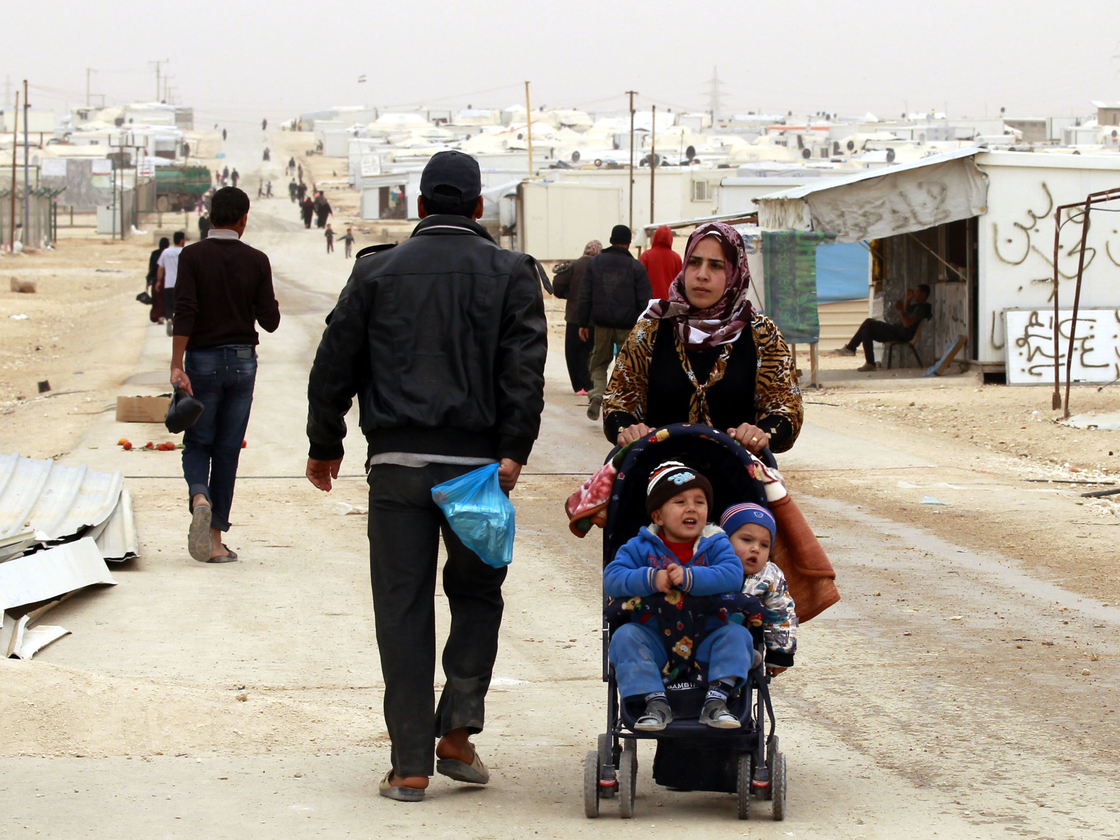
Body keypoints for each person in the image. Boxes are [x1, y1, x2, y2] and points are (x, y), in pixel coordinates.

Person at [304, 149, 547, 802]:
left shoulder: (377, 271)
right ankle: (459, 733)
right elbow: (523, 368)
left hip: (397, 471)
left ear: (418, 205)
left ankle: (410, 765)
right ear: (477, 209)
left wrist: (324, 441)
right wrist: (514, 449)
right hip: (477, 472)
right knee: (476, 595)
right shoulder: (512, 273)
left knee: (403, 611)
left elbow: (335, 359)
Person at [604, 221, 803, 457]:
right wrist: (628, 429)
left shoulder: (762, 334)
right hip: (659, 480)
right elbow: (618, 402)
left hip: (738, 479)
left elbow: (785, 409)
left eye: (716, 266)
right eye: (694, 262)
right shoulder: (650, 330)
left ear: (734, 272)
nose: (701, 275)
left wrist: (762, 434)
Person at [171, 187, 280, 563]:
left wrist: (176, 363)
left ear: (210, 216)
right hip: (242, 361)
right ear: (243, 219)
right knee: (228, 449)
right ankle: (215, 540)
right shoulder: (257, 260)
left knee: (199, 442)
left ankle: (199, 495)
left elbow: (184, 309)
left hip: (201, 361)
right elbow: (271, 321)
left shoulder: (192, 256)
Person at [604, 461, 751, 731]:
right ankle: (654, 701)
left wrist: (690, 578)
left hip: (707, 638)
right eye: (680, 501)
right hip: (655, 641)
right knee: (624, 637)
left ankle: (717, 700)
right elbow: (612, 579)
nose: (692, 508)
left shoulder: (715, 543)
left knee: (738, 636)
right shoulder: (639, 547)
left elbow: (733, 574)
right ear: (658, 516)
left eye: (699, 501)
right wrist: (650, 578)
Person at [576, 224, 652, 421]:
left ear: (610, 240)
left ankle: (598, 394)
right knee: (626, 366)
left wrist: (583, 323)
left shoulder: (595, 263)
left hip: (601, 324)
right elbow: (645, 301)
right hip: (628, 326)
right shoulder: (637, 267)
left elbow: (584, 295)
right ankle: (622, 406)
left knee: (599, 363)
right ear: (628, 242)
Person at [719, 503, 796, 677]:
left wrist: (780, 654)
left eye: (764, 545)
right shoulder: (709, 565)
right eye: (747, 540)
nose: (755, 548)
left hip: (740, 641)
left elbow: (781, 613)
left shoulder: (769, 576)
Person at [835, 284, 932, 371]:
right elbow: (906, 314)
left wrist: (901, 310)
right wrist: (908, 299)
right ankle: (870, 363)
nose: (915, 294)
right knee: (866, 331)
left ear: (924, 294)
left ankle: (851, 348)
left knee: (868, 322)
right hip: (898, 332)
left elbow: (906, 323)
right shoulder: (918, 306)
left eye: (917, 292)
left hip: (901, 334)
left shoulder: (921, 309)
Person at [552, 240, 600, 395]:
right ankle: (591, 383)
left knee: (573, 352)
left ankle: (579, 386)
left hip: (574, 315)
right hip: (595, 317)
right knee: (592, 351)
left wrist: (567, 294)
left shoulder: (574, 265)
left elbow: (557, 285)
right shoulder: (600, 267)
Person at [640, 224, 682, 299]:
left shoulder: (646, 256)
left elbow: (639, 280)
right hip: (670, 302)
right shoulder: (676, 258)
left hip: (649, 302)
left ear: (655, 237)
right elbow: (681, 283)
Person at [157, 231, 186, 333]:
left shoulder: (166, 252)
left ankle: (169, 319)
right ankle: (178, 323)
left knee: (169, 304)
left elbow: (160, 268)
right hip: (182, 284)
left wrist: (159, 281)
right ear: (182, 240)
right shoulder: (185, 251)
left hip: (169, 283)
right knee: (180, 305)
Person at [146, 236, 169, 323]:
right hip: (166, 279)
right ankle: (166, 316)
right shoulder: (167, 253)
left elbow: (151, 267)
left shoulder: (154, 253)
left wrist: (148, 280)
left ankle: (159, 316)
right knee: (166, 299)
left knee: (157, 299)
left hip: (155, 278)